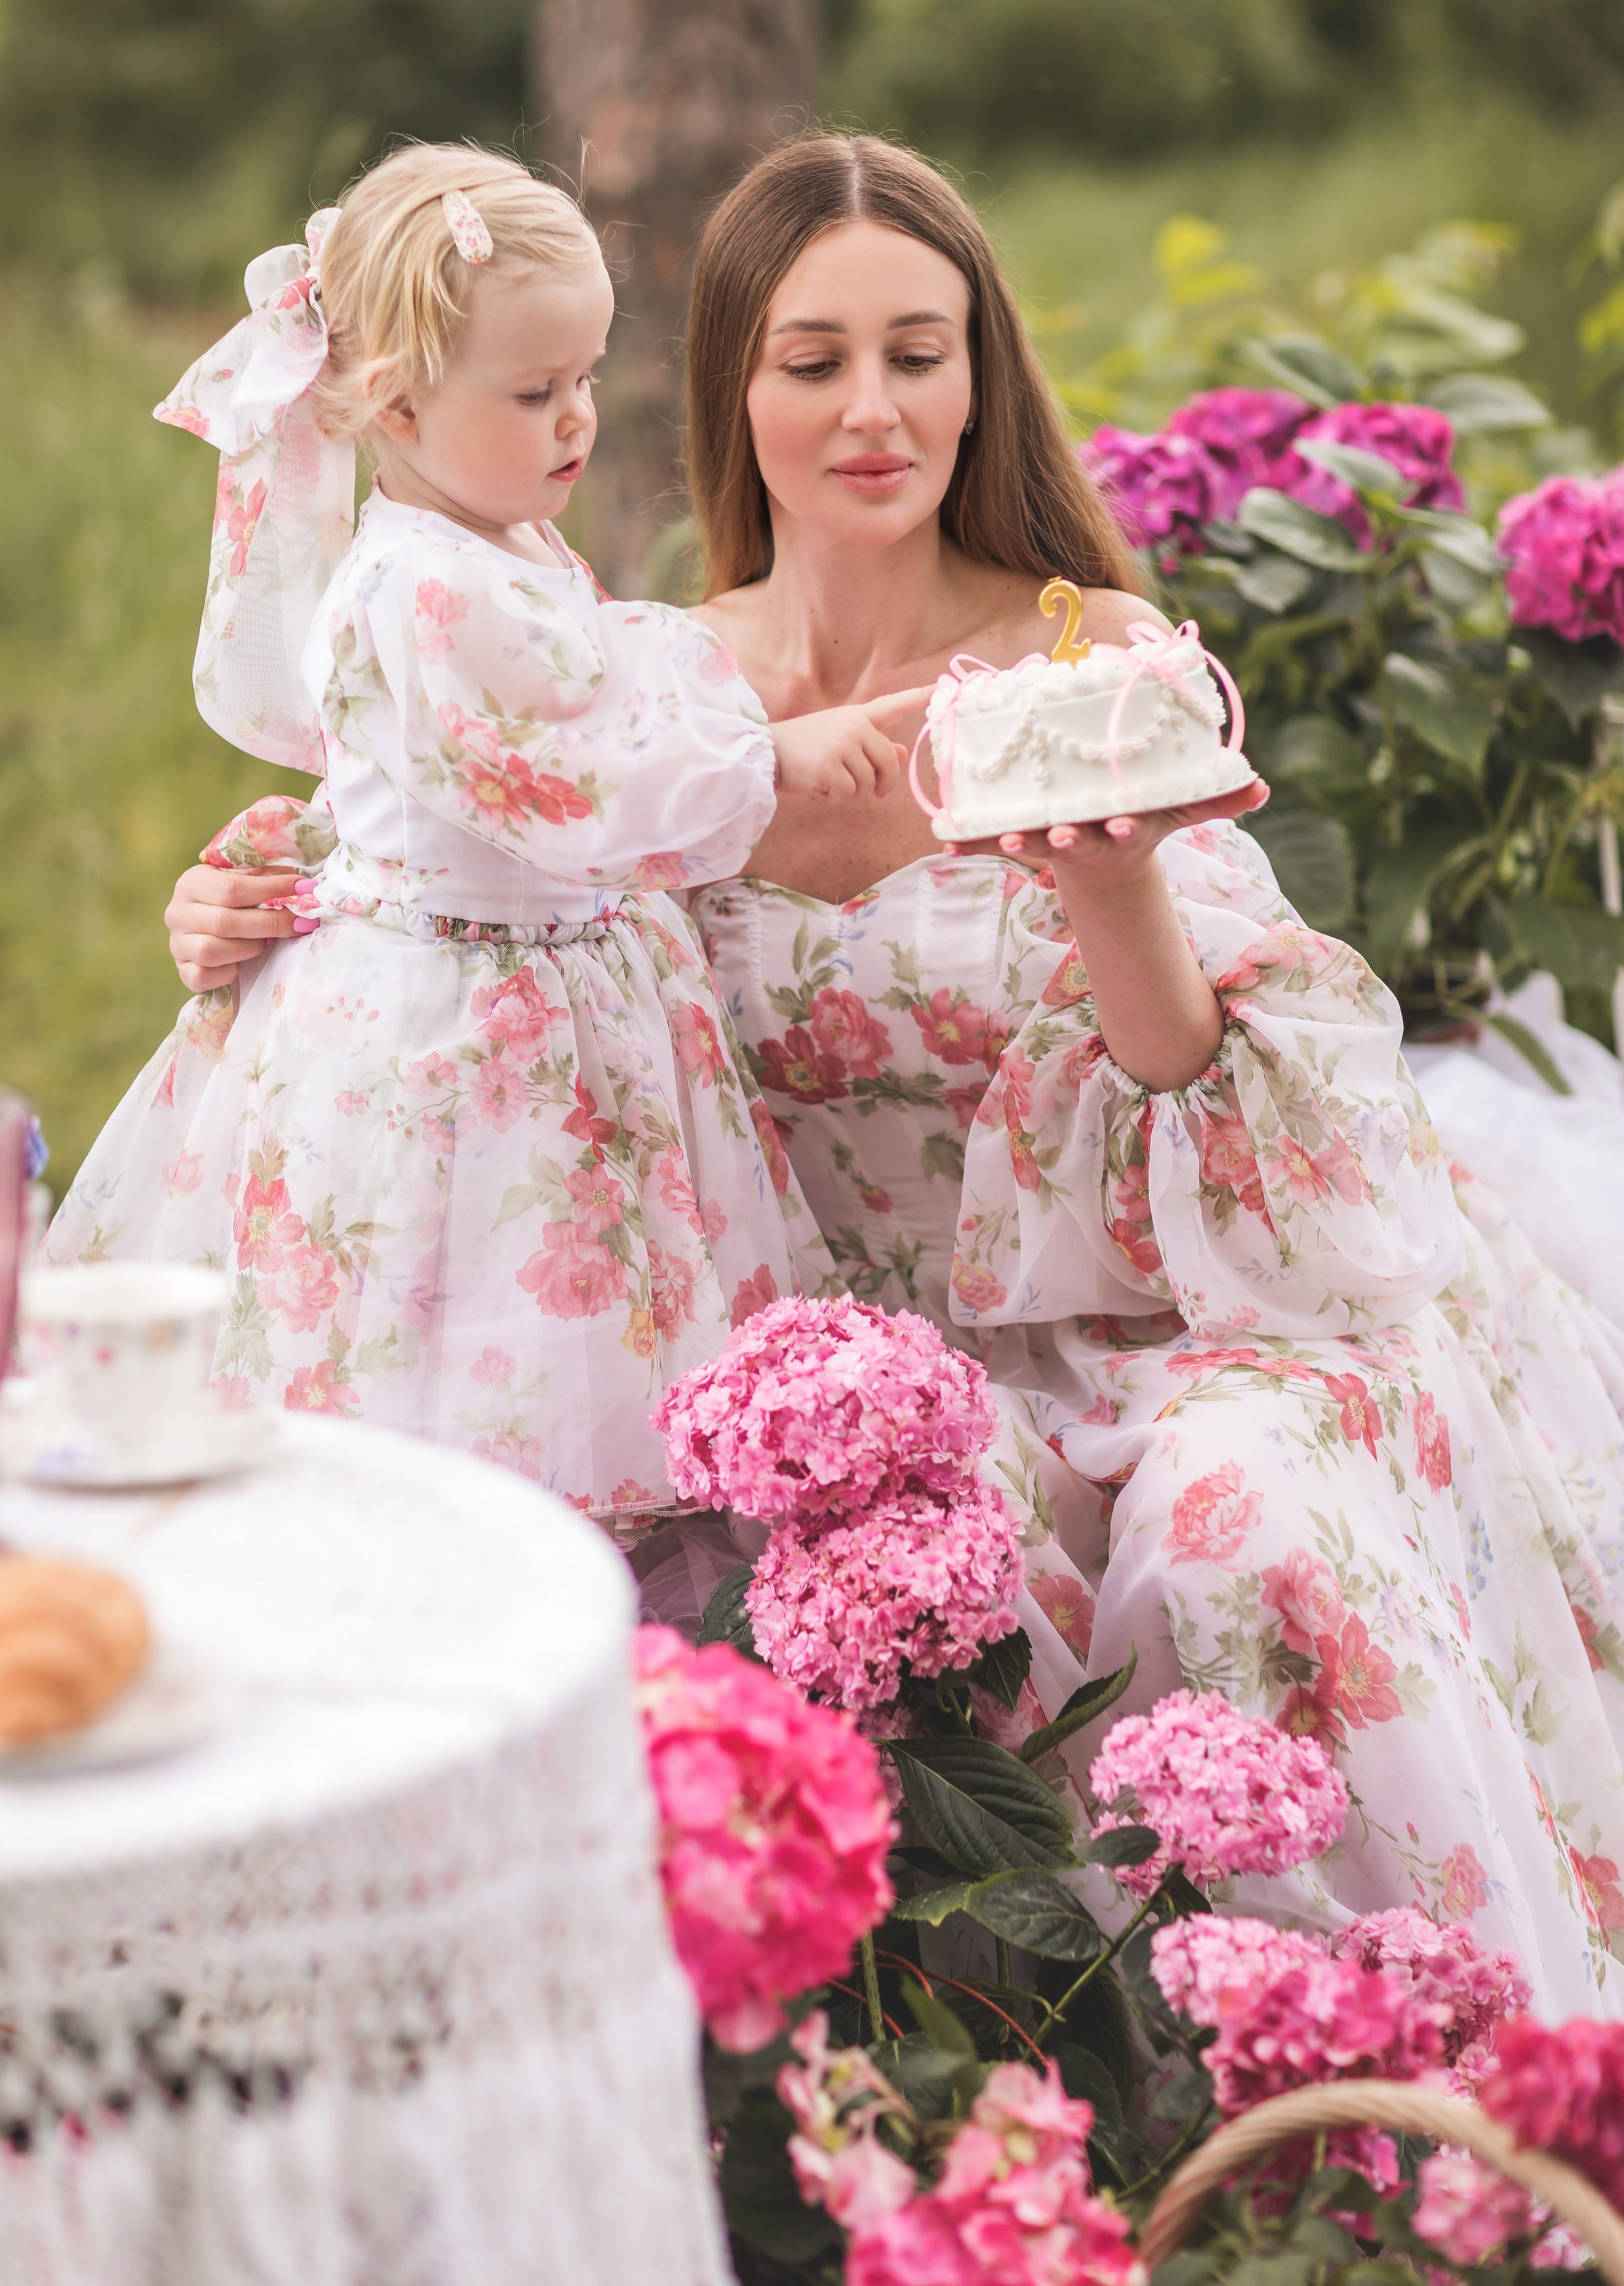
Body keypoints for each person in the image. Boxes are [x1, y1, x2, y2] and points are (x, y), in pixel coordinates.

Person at [165, 134, 1624, 2013]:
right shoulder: (637, 686)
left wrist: (1112, 885)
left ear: (978, 375)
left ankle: (1375, 2066)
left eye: (919, 355)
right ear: (733, 389)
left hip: (1164, 1304)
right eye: (815, 359)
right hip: (807, 1354)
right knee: (751, 1585)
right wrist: (242, 905)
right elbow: (426, 884)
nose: (873, 408)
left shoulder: (1080, 663)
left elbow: (1235, 1109)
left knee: (1235, 1508)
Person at [45, 141, 938, 1516]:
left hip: (551, 984)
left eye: (586, 378)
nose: (578, 419)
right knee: (460, 1325)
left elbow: (575, 700)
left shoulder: (502, 539)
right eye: (534, 391)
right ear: (397, 404)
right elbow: (564, 775)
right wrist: (766, 755)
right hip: (460, 1025)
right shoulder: (421, 585)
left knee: (582, 1318)